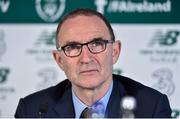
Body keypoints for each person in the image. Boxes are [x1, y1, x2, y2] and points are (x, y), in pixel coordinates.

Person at [14, 8, 172, 118]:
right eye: (73, 47)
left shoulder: (151, 107)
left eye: (96, 44)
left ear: (115, 52)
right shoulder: (32, 110)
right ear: (59, 60)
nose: (86, 58)